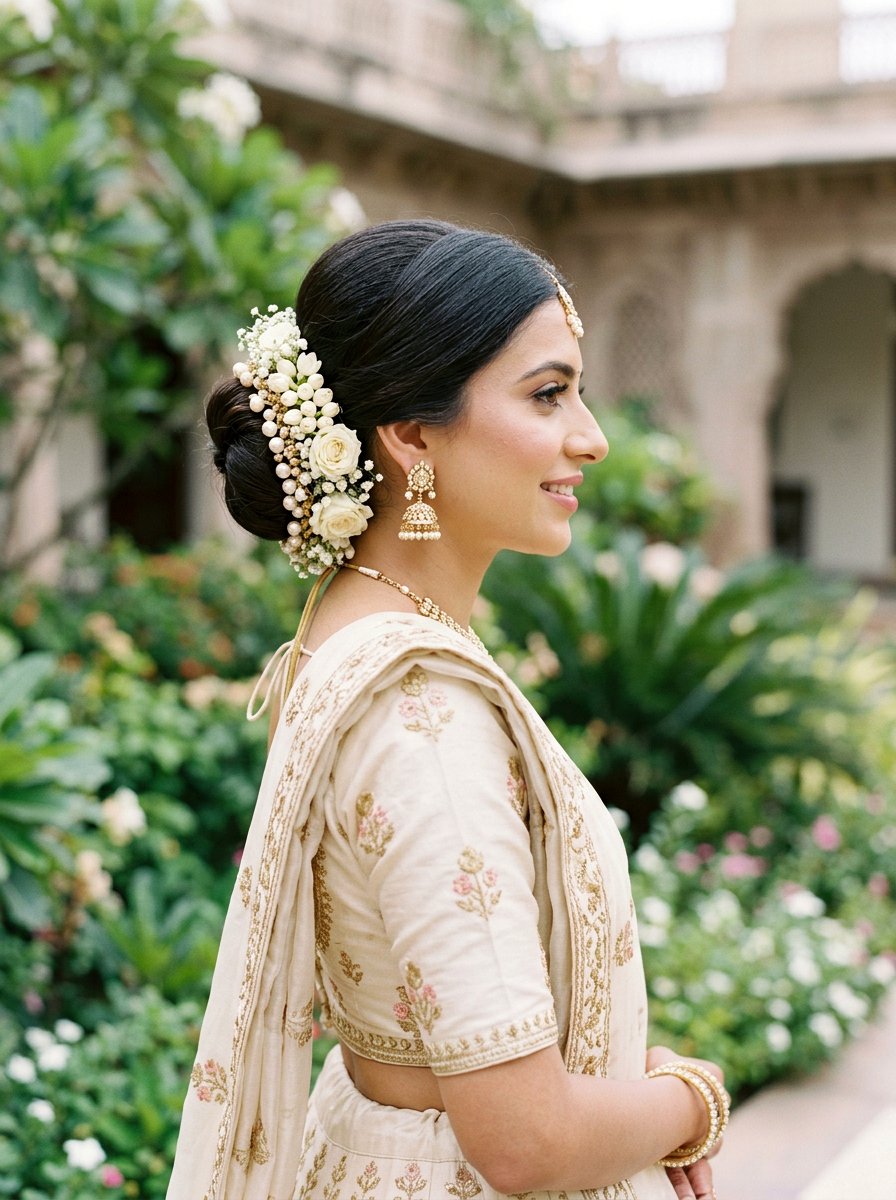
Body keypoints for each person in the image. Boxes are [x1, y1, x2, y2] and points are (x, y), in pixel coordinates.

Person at [166, 219, 728, 1200]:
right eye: (547, 394)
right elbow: (525, 1141)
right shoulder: (421, 714)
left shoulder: (351, 626)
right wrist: (693, 1100)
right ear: (413, 434)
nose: (591, 438)